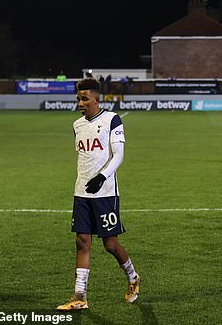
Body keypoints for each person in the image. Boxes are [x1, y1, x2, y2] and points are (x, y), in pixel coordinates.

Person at [57, 78, 140, 311]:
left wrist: (102, 177)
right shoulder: (77, 125)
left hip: (105, 192)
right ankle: (80, 297)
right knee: (82, 241)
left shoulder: (111, 119)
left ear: (96, 99)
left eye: (84, 99)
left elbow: (118, 155)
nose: (80, 103)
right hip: (81, 191)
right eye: (78, 99)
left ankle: (133, 277)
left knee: (110, 244)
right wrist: (85, 182)